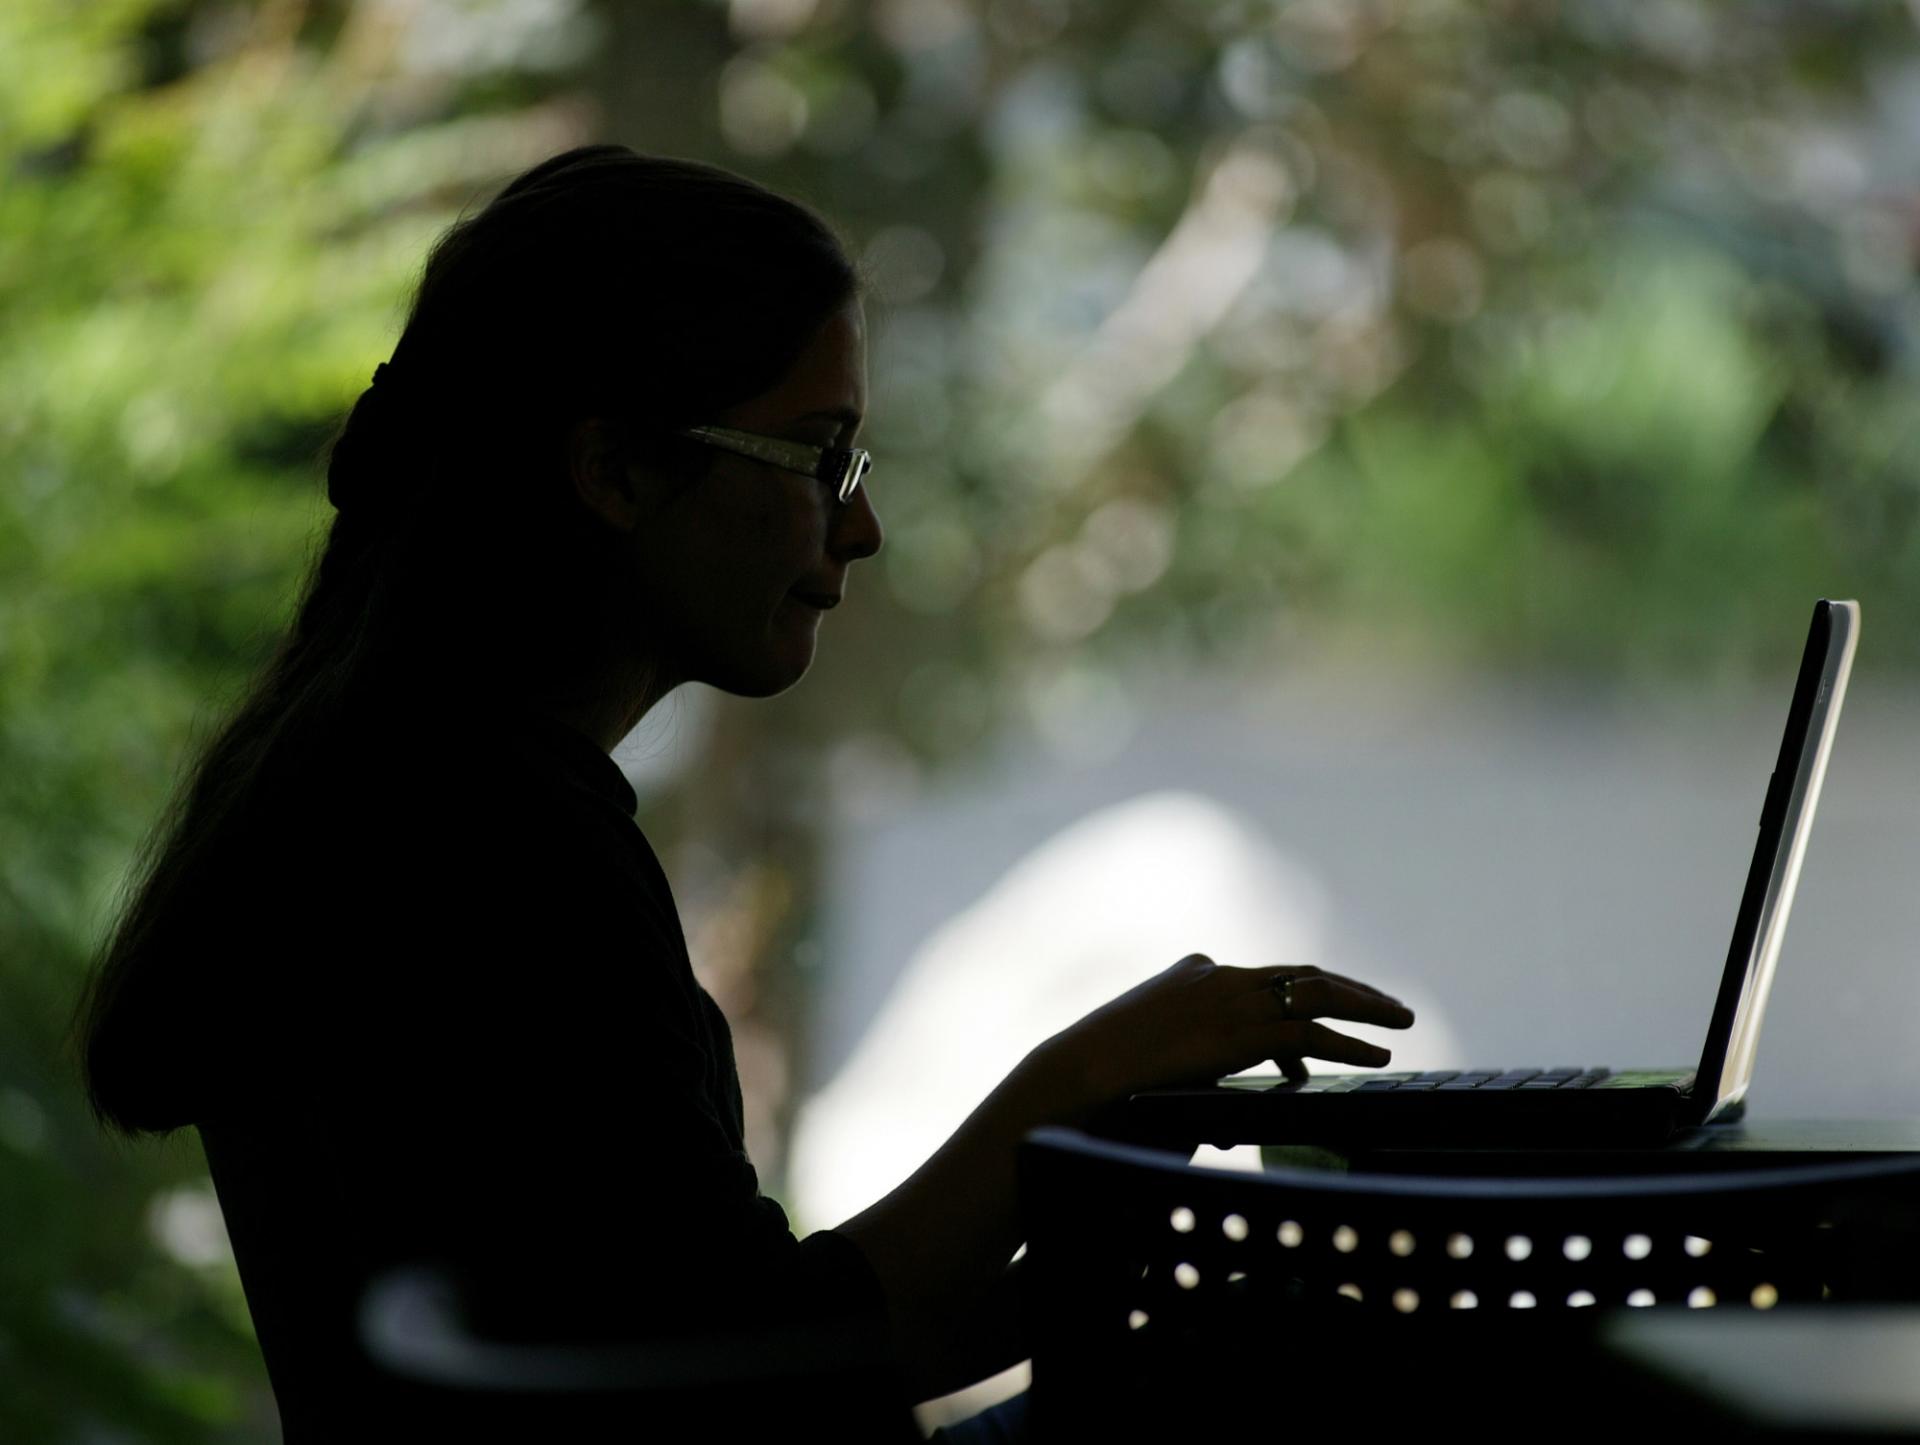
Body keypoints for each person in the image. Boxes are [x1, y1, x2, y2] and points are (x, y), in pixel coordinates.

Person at [67, 145, 1414, 1440]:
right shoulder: (497, 852)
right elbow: (757, 1366)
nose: (861, 524)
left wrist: (1123, 1259)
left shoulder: (396, 789)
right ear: (619, 470)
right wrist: (1085, 1080)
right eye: (819, 454)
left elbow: (704, 1355)